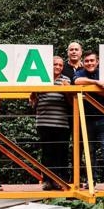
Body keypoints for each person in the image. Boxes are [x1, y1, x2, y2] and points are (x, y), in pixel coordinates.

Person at [74, 51, 104, 192]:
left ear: (97, 61)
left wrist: (89, 90)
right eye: (87, 61)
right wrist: (96, 83)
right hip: (87, 119)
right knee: (89, 151)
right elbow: (76, 82)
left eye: (92, 60)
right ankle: (90, 179)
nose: (89, 63)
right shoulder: (80, 73)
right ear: (83, 62)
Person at [30, 57, 71, 191]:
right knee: (47, 152)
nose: (57, 67)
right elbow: (33, 101)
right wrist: (33, 95)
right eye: (55, 64)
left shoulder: (66, 80)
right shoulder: (40, 79)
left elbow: (71, 102)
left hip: (61, 123)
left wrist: (67, 91)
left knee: (61, 152)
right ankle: (47, 181)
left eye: (60, 65)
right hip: (43, 122)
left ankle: (60, 180)